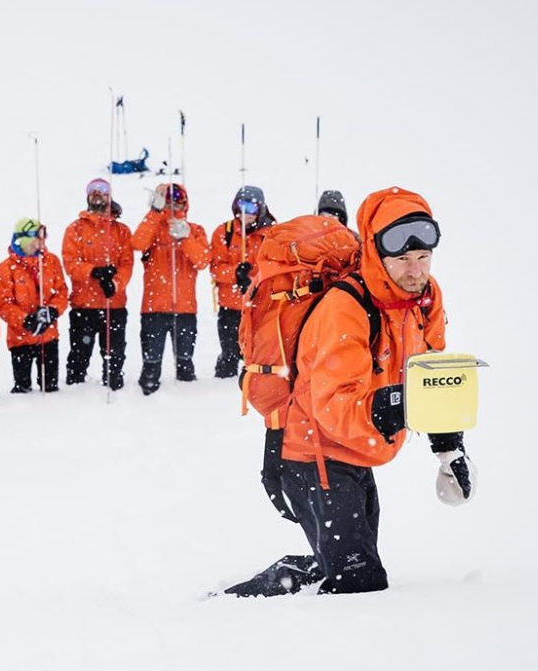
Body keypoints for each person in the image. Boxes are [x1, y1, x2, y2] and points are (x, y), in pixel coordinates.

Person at [227, 186, 477, 597]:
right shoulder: (346, 306)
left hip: (357, 452)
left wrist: (449, 448)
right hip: (315, 454)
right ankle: (244, 607)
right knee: (359, 582)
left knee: (352, 569)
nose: (415, 271)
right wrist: (398, 404)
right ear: (378, 254)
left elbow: (430, 376)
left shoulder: (424, 298)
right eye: (402, 260)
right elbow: (333, 406)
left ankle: (300, 573)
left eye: (423, 258)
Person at [131, 182, 210, 394]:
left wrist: (186, 239)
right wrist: (154, 212)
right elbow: (137, 243)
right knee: (151, 364)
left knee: (185, 363)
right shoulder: (153, 228)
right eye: (168, 202)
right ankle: (145, 403)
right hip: (154, 308)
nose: (174, 206)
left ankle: (183, 406)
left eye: (178, 201)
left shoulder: (195, 230)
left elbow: (203, 261)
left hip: (185, 309)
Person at [61, 178, 134, 390]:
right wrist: (94, 271)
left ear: (109, 196)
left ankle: (114, 393)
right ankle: (74, 393)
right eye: (92, 190)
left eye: (102, 190)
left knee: (114, 356)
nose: (97, 194)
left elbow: (127, 265)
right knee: (79, 355)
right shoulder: (75, 229)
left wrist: (115, 283)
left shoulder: (121, 231)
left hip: (114, 305)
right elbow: (71, 263)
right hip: (84, 306)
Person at [209, 185, 277, 378]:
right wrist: (235, 274)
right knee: (229, 353)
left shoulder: (271, 234)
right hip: (230, 307)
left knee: (258, 356)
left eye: (252, 208)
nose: (246, 213)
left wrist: (254, 281)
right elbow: (215, 267)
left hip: (260, 307)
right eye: (242, 206)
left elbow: (274, 267)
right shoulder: (224, 232)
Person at [0, 218, 69, 393]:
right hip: (20, 339)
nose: (42, 242)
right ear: (25, 238)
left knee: (50, 389)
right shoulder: (4, 269)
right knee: (22, 390)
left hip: (48, 337)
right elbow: (3, 305)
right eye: (38, 237)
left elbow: (62, 292)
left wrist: (52, 311)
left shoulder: (51, 262)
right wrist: (26, 320)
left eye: (43, 237)